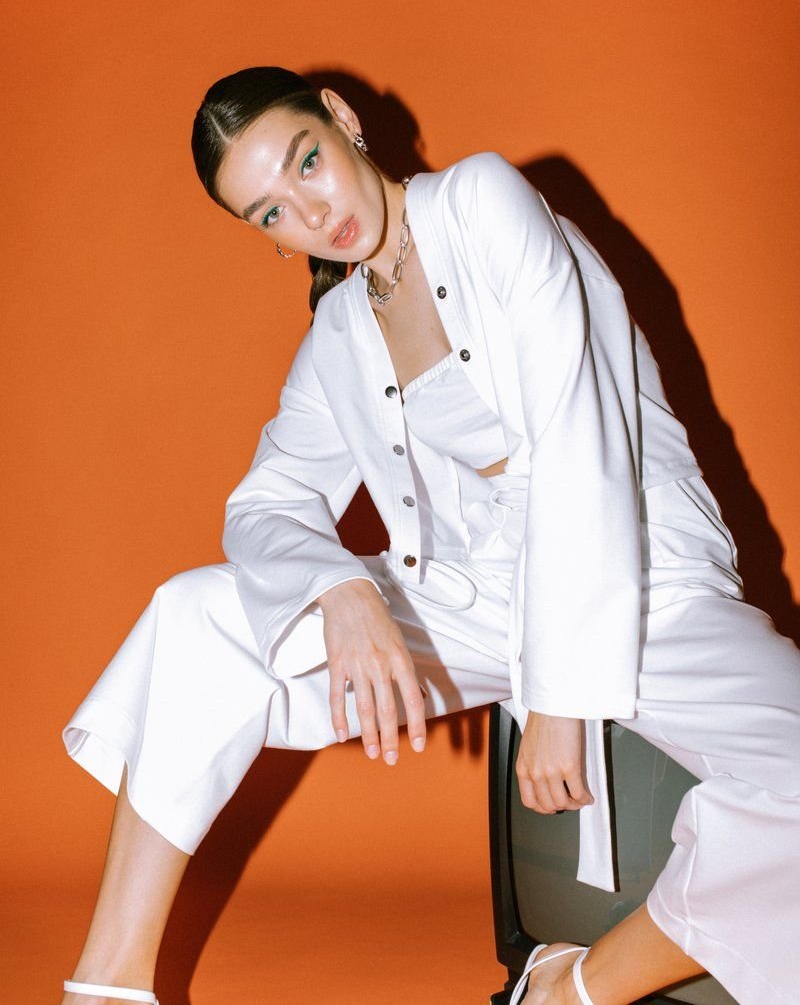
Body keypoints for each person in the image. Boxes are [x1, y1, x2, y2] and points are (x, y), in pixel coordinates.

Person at [61, 67, 800, 1005]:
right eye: (271, 213)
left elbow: (577, 433)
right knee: (198, 617)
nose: (311, 214)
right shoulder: (340, 334)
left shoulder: (481, 201)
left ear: (342, 119)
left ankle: (577, 988)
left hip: (644, 576)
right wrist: (341, 588)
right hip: (477, 593)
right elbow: (262, 505)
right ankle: (107, 985)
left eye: (306, 162)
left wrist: (560, 701)